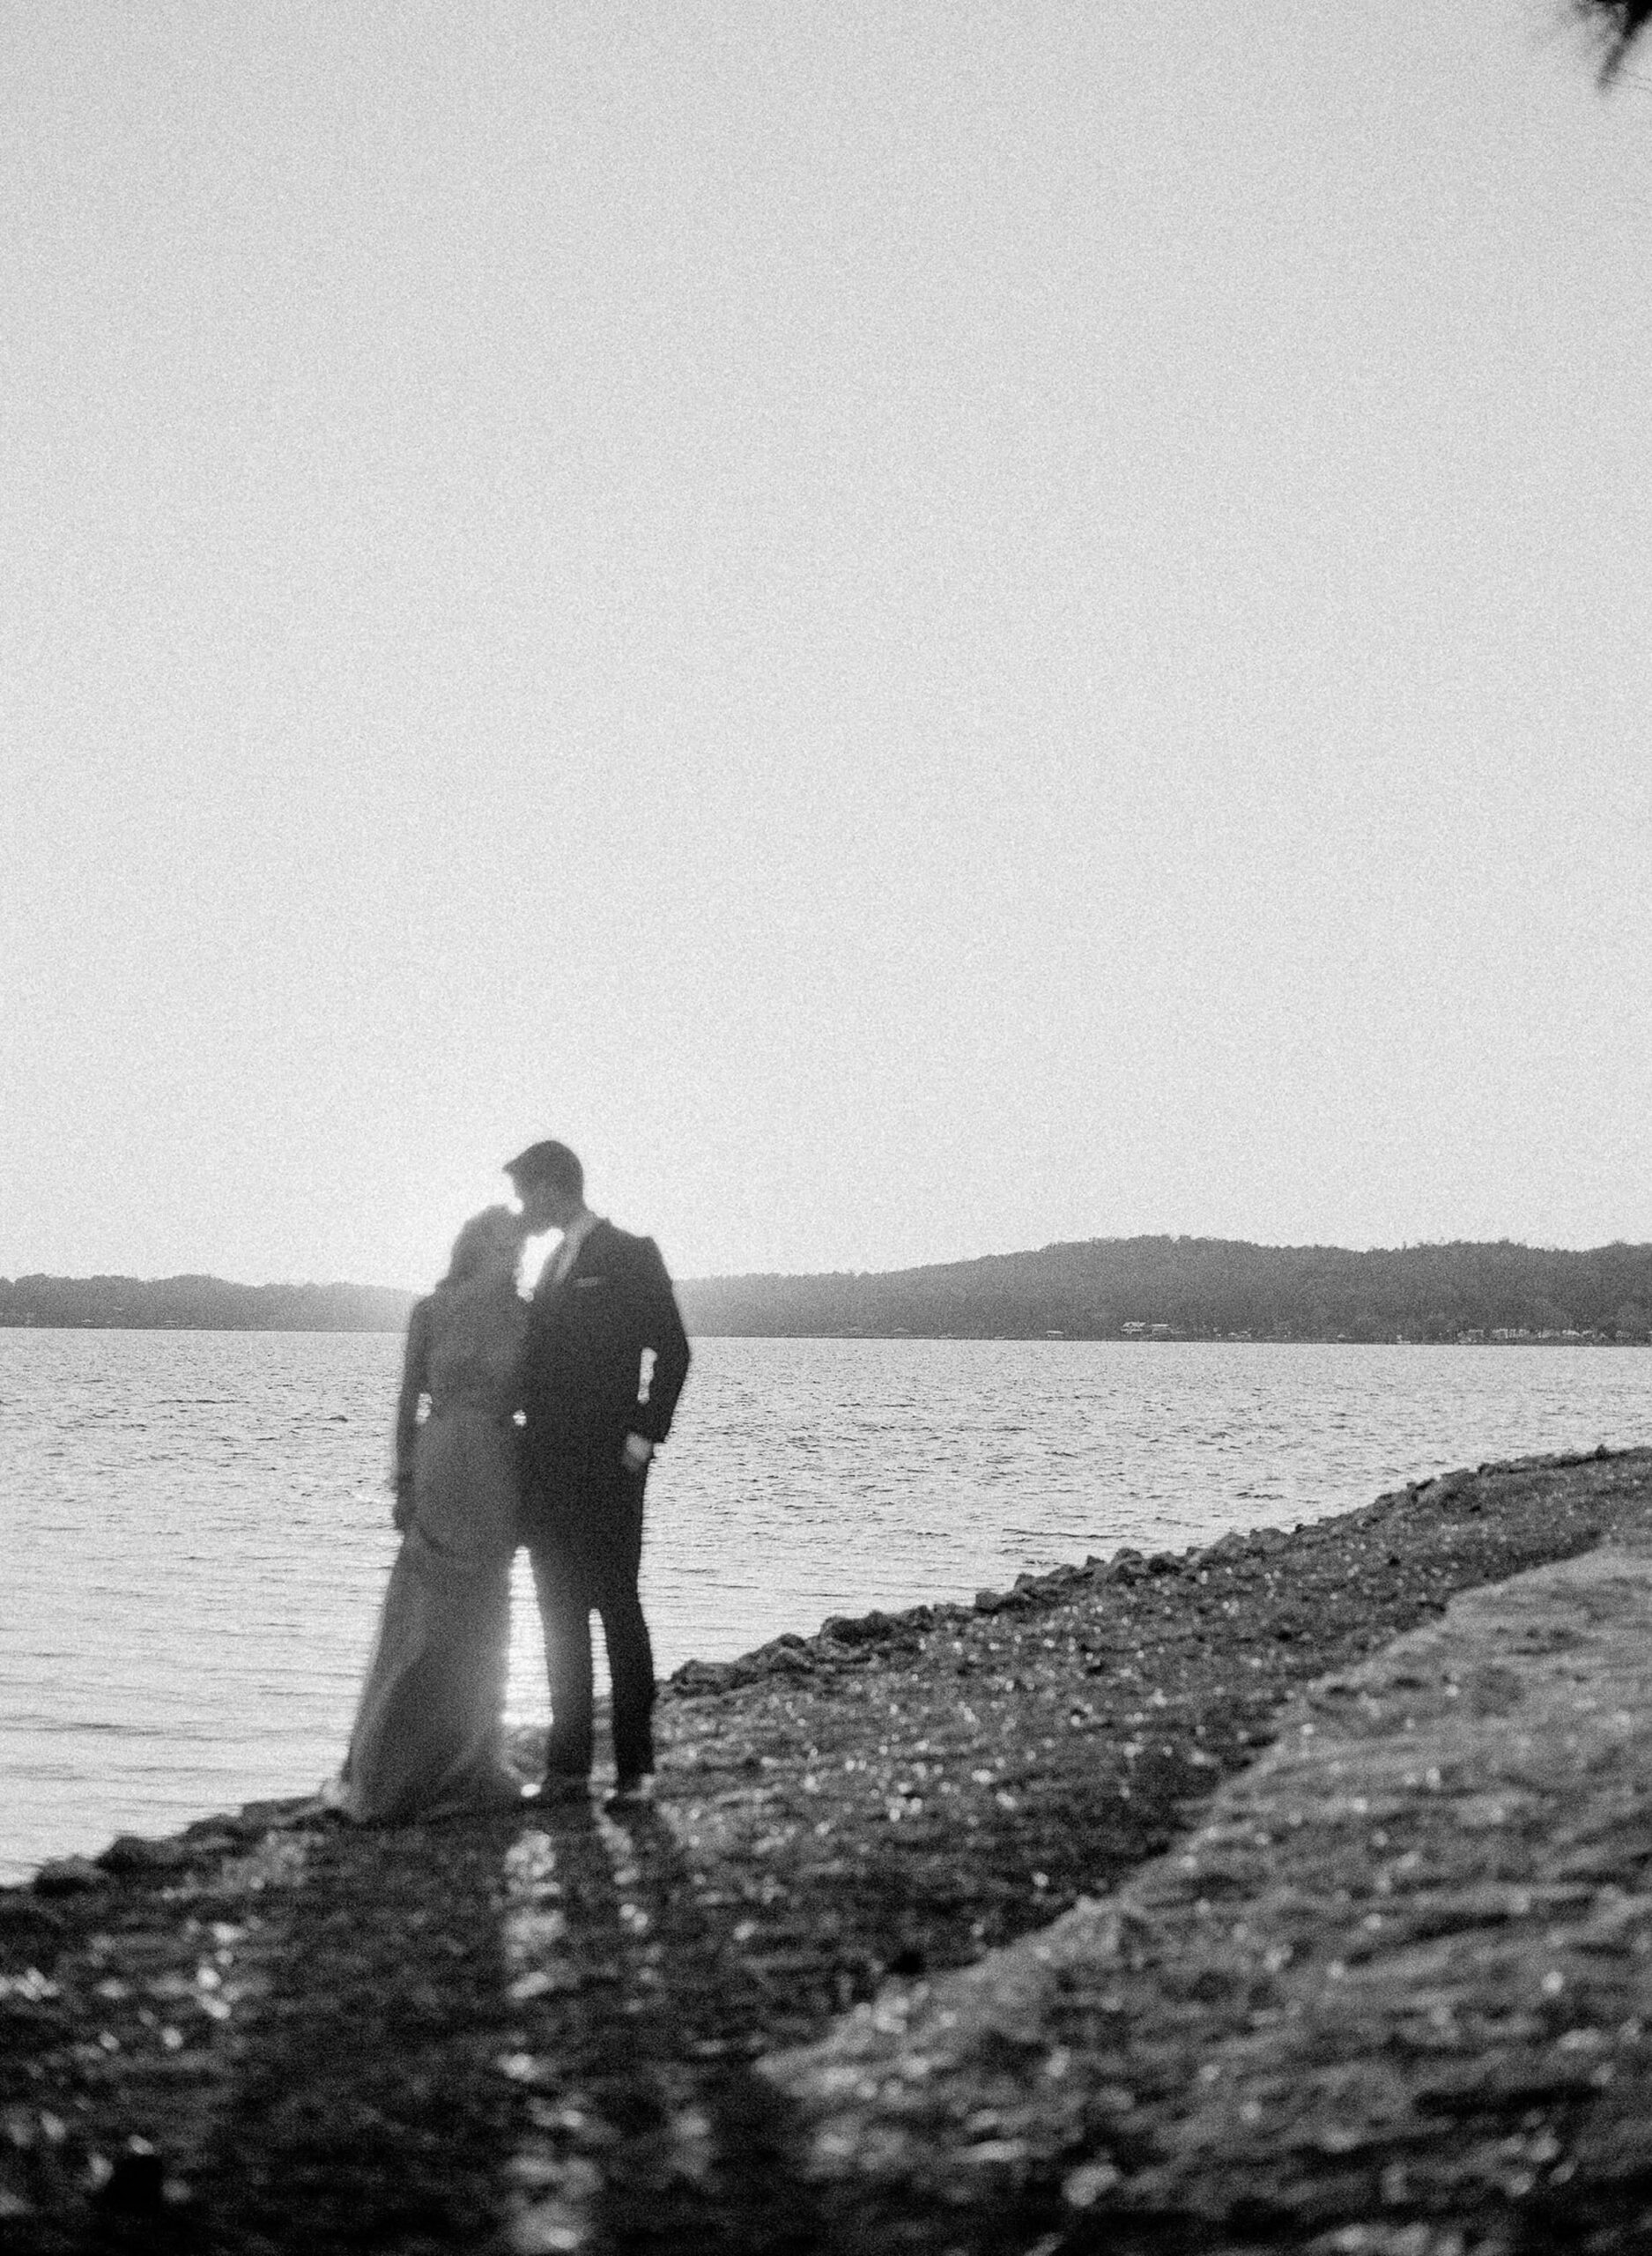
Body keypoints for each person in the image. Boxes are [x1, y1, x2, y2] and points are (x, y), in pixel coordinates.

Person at [507, 1139, 691, 1807]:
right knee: (558, 1615)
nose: (523, 1207)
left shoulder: (630, 1253)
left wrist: (643, 1438)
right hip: (546, 1468)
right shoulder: (549, 1262)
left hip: (612, 1466)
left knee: (617, 1608)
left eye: (528, 1194)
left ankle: (637, 1770)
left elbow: (672, 1350)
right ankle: (567, 1770)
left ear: (554, 1187)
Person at [334, 1206, 530, 1823]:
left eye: (518, 1248)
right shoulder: (431, 1312)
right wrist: (402, 1479)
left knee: (483, 1616)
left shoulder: (528, 1317)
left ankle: (471, 1763)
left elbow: (543, 1403)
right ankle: (392, 1766)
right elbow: (405, 1399)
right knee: (423, 1618)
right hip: (440, 1460)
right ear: (476, 1247)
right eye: (502, 1246)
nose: (513, 1256)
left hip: (498, 1469)